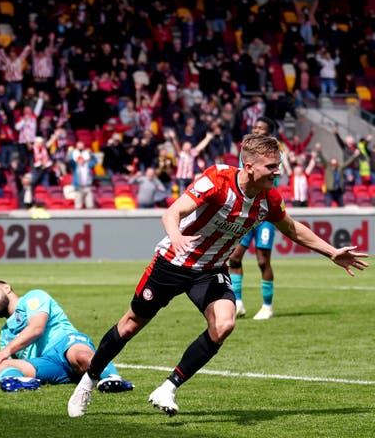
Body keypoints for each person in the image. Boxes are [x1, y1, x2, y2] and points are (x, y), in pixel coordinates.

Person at [67, 134, 368, 418]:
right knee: (131, 325)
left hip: (210, 271)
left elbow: (291, 228)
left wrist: (331, 252)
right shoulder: (218, 180)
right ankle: (89, 380)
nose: (278, 172)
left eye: (278, 165)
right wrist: (175, 236)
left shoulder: (268, 198)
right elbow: (172, 212)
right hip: (173, 263)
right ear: (249, 167)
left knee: (224, 324)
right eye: (272, 167)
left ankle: (167, 388)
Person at [0, 280, 133, 394]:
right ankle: (18, 384)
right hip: (45, 363)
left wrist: (6, 351)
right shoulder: (5, 333)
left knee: (81, 357)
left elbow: (37, 328)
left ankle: (111, 378)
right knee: (0, 364)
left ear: (7, 288)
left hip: (65, 342)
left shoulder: (33, 297)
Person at [228, 116, 280, 320]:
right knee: (234, 257)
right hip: (246, 212)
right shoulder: (247, 154)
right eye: (255, 127)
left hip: (264, 213)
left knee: (262, 260)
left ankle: (267, 306)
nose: (256, 130)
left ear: (268, 134)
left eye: (261, 129)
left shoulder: (274, 156)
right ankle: (238, 303)